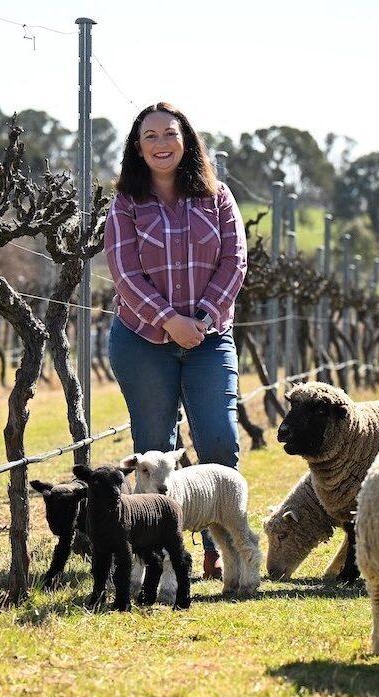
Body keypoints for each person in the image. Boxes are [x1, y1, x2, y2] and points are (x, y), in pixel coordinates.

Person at [103, 102, 247, 580]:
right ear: (138, 148)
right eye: (150, 137)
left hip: (208, 337)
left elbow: (235, 263)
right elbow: (124, 273)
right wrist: (168, 320)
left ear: (186, 141)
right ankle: (160, 551)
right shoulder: (125, 203)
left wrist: (200, 319)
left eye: (170, 134)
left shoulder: (218, 196)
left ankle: (215, 539)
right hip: (143, 340)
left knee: (219, 443)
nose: (161, 144)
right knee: (154, 449)